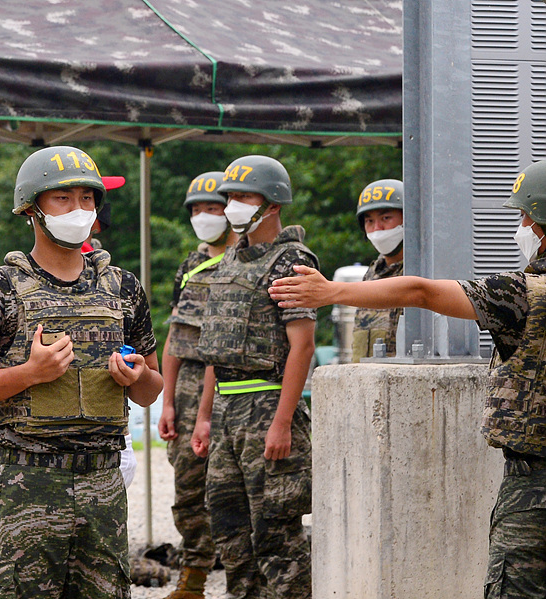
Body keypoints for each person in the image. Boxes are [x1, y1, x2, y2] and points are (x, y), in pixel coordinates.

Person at [268, 160, 546, 599]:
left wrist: (330, 292)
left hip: (535, 487)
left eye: (527, 217)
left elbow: (422, 292)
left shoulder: (522, 295)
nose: (523, 226)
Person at [0, 145, 164, 599]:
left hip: (104, 485)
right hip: (28, 482)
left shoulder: (122, 287)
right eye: (63, 198)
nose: (78, 209)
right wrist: (28, 372)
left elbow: (151, 389)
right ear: (31, 207)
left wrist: (136, 375)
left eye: (87, 198)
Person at [190, 155, 316, 599]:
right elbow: (215, 348)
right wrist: (204, 416)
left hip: (268, 405)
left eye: (244, 197)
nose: (232, 206)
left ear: (273, 203)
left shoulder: (291, 260)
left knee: (275, 531)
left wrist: (283, 421)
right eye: (230, 197)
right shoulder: (227, 261)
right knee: (230, 528)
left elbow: (303, 345)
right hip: (226, 408)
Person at [157, 170, 238, 599]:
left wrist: (205, 412)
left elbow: (217, 348)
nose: (204, 216)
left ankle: (243, 577)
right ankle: (194, 578)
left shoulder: (241, 262)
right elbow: (175, 335)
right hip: (186, 388)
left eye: (213, 208)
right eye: (197, 209)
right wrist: (166, 402)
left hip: (225, 387)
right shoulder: (190, 264)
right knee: (187, 487)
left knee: (229, 490)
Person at [352, 179, 405, 360]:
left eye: (385, 218)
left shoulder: (422, 271)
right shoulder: (372, 273)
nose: (377, 228)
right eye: (369, 221)